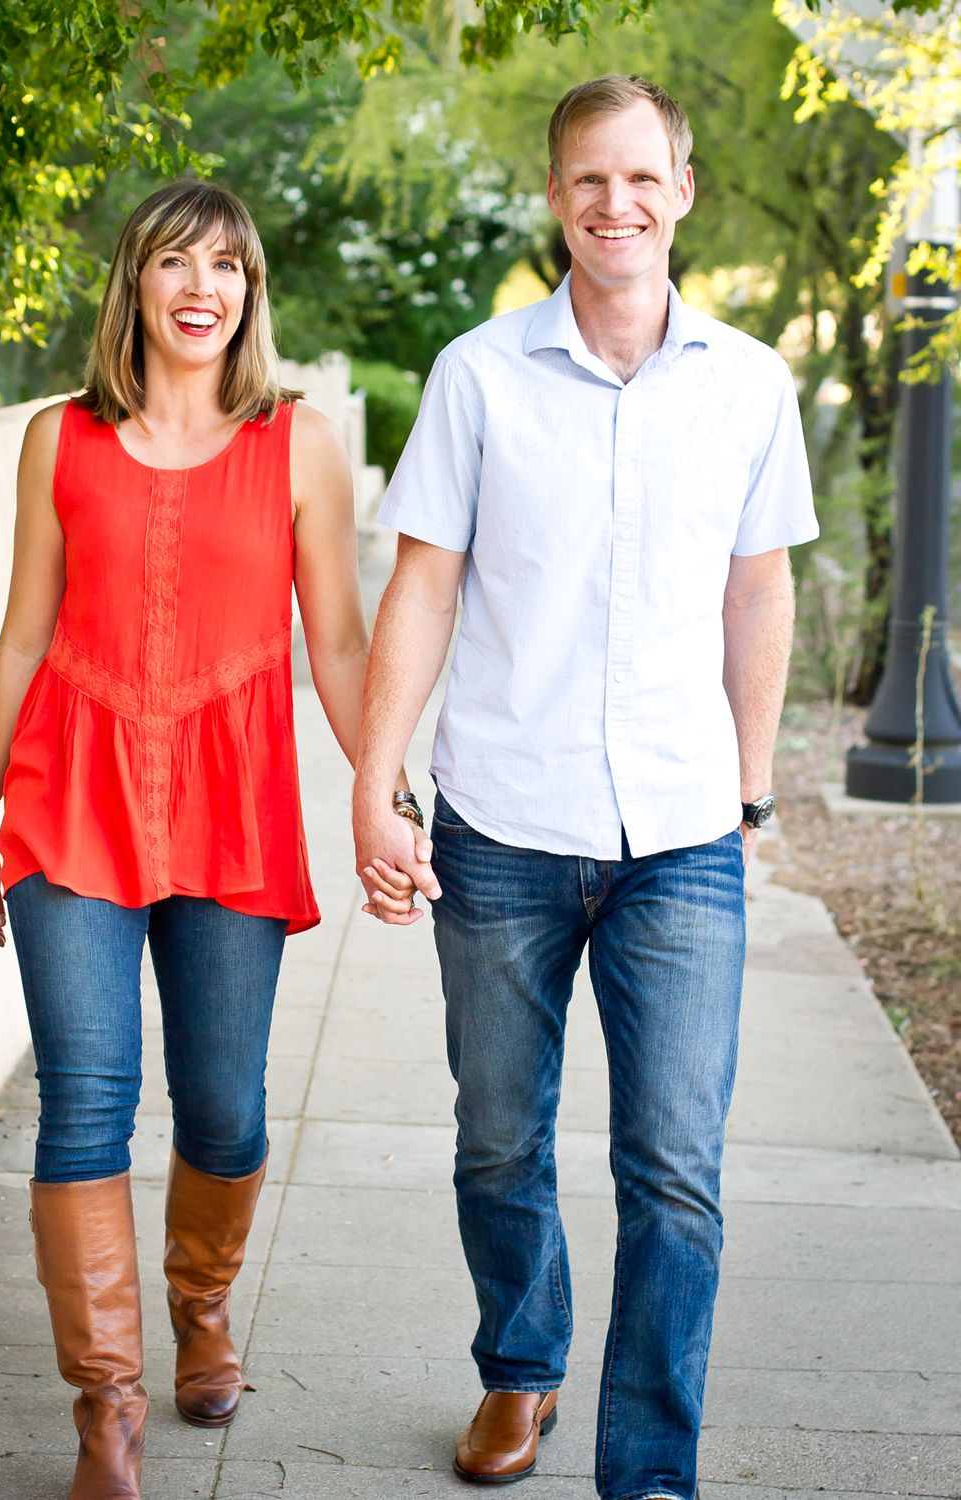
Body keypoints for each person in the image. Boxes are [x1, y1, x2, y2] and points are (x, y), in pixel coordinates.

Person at [352, 75, 818, 1500]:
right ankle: (519, 1366)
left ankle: (648, 1472)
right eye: (586, 180)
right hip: (502, 826)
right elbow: (423, 588)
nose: (615, 203)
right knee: (498, 1141)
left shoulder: (749, 383)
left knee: (675, 1171)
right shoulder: (480, 376)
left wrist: (747, 796)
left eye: (640, 177)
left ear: (682, 189)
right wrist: (376, 783)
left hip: (682, 833)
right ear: (555, 198)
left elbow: (760, 592)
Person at [0, 180, 415, 1500]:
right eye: (172, 262)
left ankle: (201, 1312)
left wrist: (380, 789)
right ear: (135, 287)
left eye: (226, 265)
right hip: (70, 803)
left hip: (234, 807)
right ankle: (108, 1406)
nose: (200, 286)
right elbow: (25, 636)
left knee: (222, 1105)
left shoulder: (299, 444)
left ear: (251, 293)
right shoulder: (59, 441)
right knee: (85, 1095)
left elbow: (335, 639)